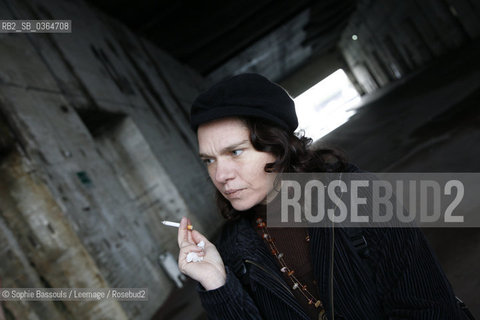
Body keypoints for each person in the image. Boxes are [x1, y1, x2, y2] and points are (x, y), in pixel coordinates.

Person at [177, 73, 466, 319]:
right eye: (209, 160)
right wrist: (218, 284)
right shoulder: (233, 248)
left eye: (235, 152)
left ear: (277, 146)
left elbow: (429, 307)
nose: (220, 175)